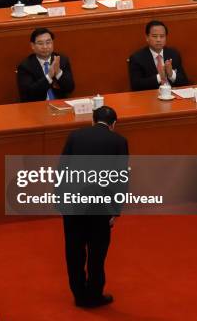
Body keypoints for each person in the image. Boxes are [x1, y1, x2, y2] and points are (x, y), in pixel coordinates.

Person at [60, 106, 129, 308]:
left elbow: (62, 170)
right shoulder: (119, 141)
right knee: (97, 253)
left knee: (74, 250)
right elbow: (120, 179)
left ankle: (79, 294)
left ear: (92, 120)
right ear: (113, 124)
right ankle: (94, 295)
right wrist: (115, 210)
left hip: (72, 204)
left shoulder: (74, 136)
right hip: (100, 207)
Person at [128, 20, 190, 91]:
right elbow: (136, 86)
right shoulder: (137, 58)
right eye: (155, 36)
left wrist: (171, 74)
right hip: (151, 98)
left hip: (173, 95)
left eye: (162, 36)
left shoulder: (173, 54)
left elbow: (185, 82)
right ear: (147, 37)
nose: (158, 40)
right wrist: (160, 77)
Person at [16, 28, 74, 102]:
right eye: (40, 43)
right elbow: (28, 95)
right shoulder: (25, 66)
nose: (45, 47)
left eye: (48, 42)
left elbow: (70, 89)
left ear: (52, 43)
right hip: (37, 107)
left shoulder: (61, 60)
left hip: (60, 105)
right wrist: (49, 76)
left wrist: (59, 72)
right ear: (32, 46)